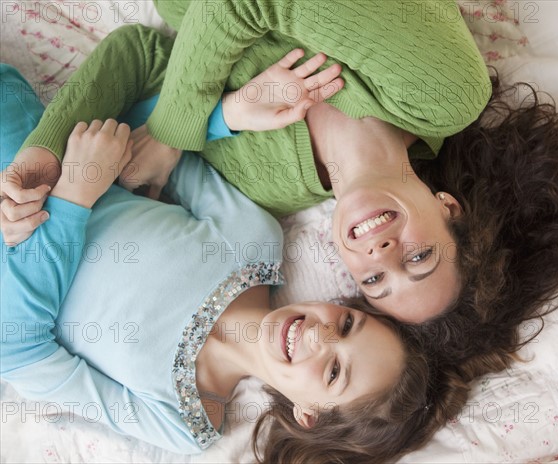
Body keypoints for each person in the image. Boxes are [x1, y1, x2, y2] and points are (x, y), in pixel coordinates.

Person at [0, 64, 470, 463]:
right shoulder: (252, 239)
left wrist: (75, 197)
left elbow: (15, 349)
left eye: (332, 372)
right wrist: (229, 114)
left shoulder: (180, 421)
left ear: (307, 412)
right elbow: (147, 136)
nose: (318, 335)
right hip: (18, 139)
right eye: (347, 325)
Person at [1, 0, 493, 323]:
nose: (383, 253)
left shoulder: (266, 187)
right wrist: (176, 130)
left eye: (374, 280)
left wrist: (44, 149)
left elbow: (143, 56)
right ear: (448, 207)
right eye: (418, 257)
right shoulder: (446, 96)